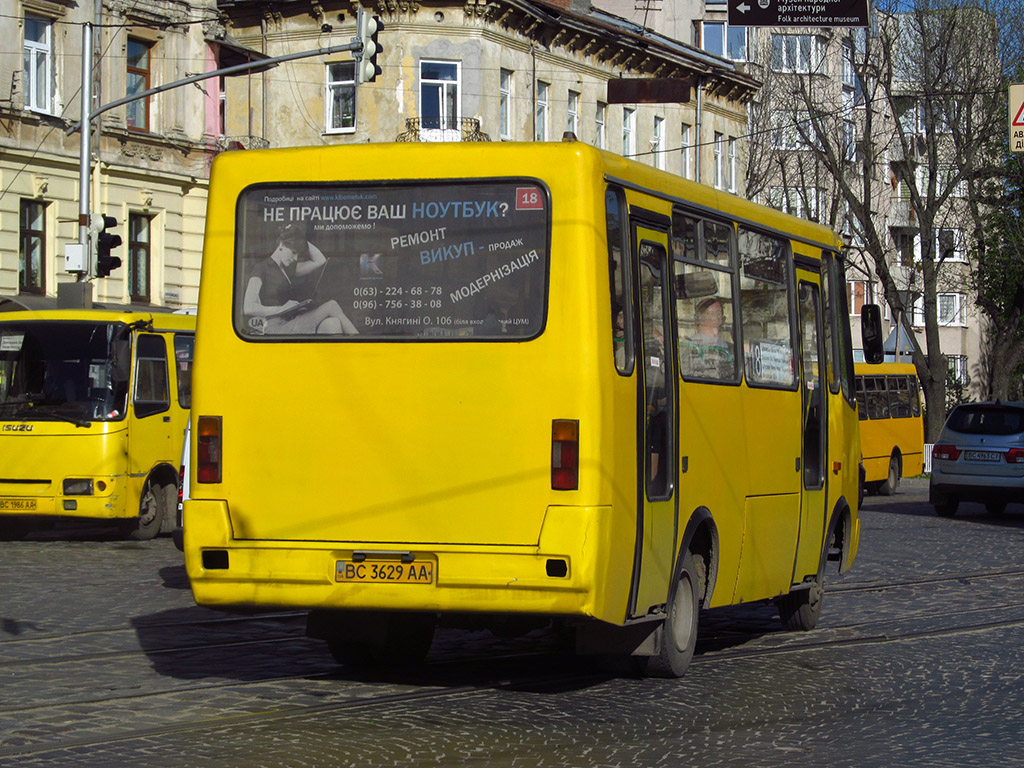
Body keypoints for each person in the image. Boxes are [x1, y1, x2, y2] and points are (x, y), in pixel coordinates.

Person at [243, 224, 358, 335]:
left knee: (332, 323)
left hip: (292, 321)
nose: (295, 258)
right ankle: (359, 342)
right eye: (293, 252)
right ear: (281, 245)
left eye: (298, 255)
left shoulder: (289, 270)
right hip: (275, 326)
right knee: (332, 305)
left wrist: (297, 236)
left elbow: (320, 260)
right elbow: (249, 308)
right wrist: (281, 309)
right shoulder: (261, 268)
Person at [683, 297, 734, 379]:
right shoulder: (689, 345)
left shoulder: (729, 346)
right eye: (712, 313)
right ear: (700, 318)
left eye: (719, 313)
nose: (717, 317)